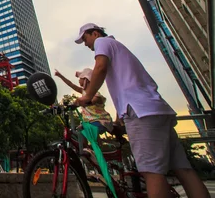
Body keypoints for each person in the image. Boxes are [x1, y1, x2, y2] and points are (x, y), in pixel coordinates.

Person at [73, 22, 208, 198]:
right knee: (184, 171)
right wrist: (119, 118)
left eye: (85, 38)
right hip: (156, 109)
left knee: (151, 172)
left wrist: (87, 96)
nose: (86, 44)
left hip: (142, 113)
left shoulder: (103, 43)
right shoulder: (119, 49)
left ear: (95, 33)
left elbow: (100, 68)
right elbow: (126, 87)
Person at [55, 68, 113, 135]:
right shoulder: (83, 92)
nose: (79, 80)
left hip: (100, 121)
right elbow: (71, 84)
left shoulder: (95, 94)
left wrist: (84, 102)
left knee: (88, 131)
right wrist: (60, 76)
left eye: (80, 78)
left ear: (86, 79)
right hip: (89, 121)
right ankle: (88, 145)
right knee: (79, 132)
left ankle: (96, 145)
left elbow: (94, 100)